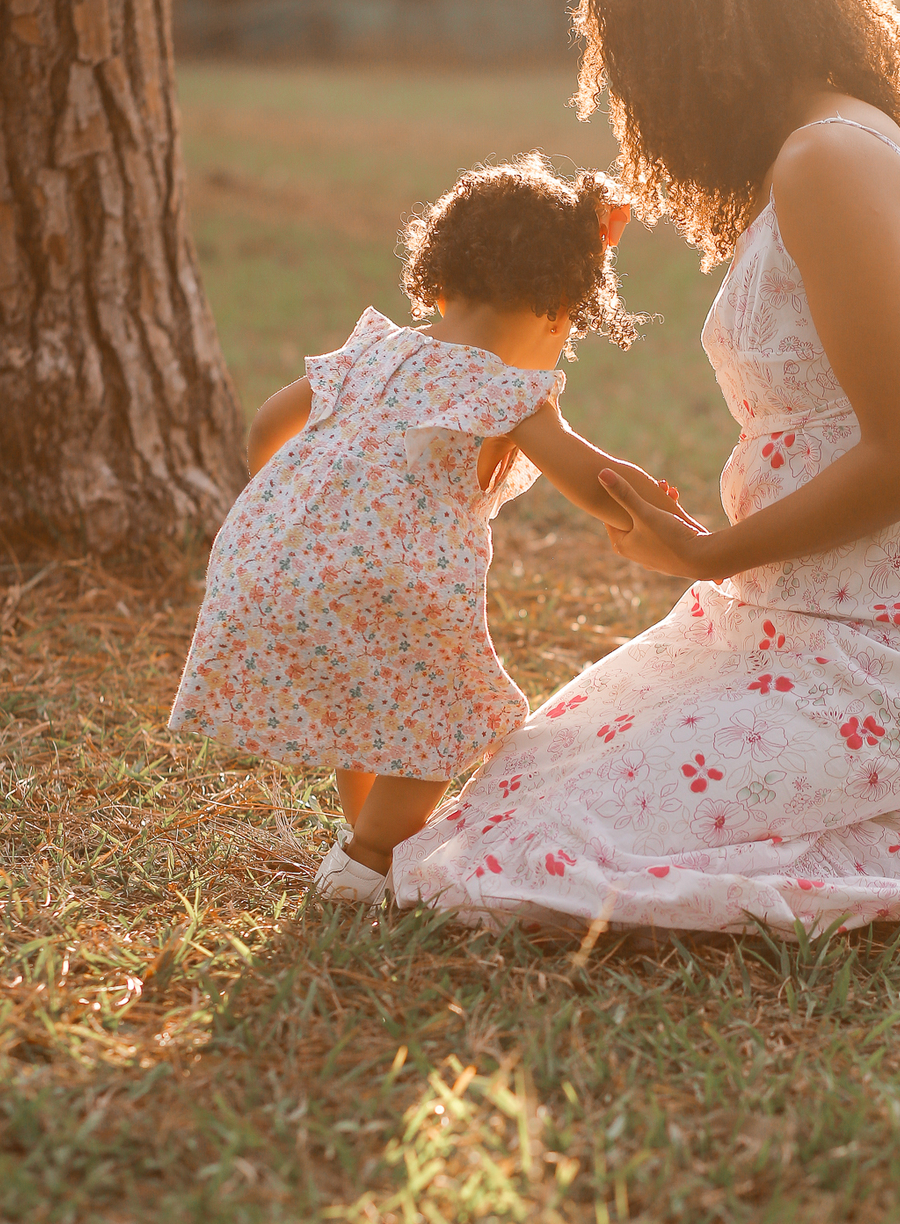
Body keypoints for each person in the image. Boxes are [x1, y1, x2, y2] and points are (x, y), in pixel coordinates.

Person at [391, 0, 900, 934]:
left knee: (544, 854)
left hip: (897, 647)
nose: (633, 92)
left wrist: (711, 553)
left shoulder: (830, 162)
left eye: (635, 56)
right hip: (789, 617)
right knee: (519, 795)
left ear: (707, 38)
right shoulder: (817, 153)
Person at [168, 155, 701, 903]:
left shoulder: (372, 351)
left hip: (267, 558)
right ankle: (364, 857)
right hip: (394, 584)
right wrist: (651, 509)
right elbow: (589, 474)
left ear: (440, 277)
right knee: (440, 717)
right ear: (557, 310)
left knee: (370, 711)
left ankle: (383, 852)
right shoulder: (505, 386)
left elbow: (268, 426)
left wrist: (290, 503)